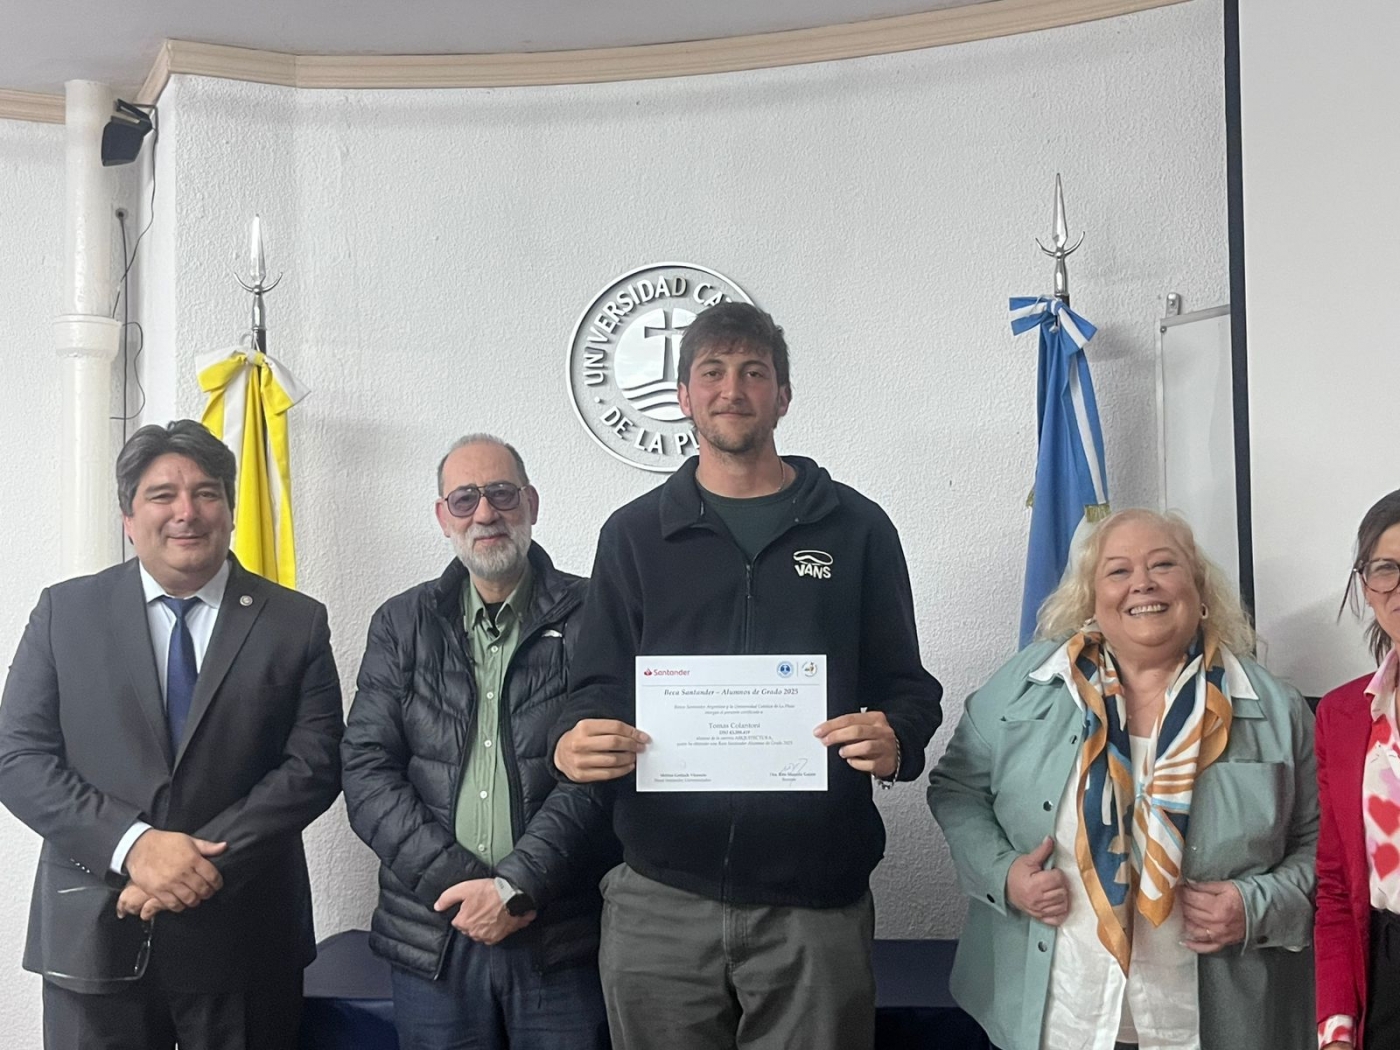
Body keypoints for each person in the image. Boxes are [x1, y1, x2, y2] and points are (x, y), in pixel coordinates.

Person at [551, 301, 943, 1050]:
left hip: (814, 905)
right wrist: (571, 741)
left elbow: (907, 689)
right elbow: (594, 686)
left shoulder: (857, 528)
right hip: (659, 897)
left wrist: (897, 741)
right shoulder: (633, 535)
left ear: (783, 397)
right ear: (684, 397)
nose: (732, 389)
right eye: (713, 372)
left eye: (753, 372)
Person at [0, 419, 344, 1050]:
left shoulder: (295, 622)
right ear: (129, 517)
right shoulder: (64, 613)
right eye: (162, 495)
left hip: (245, 942)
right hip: (95, 932)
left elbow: (315, 765)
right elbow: (18, 757)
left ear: (232, 510)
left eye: (207, 492)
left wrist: (192, 863)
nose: (186, 512)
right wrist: (133, 847)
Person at [928, 508, 1316, 1050]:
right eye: (1118, 571)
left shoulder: (1275, 708)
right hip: (1059, 1019)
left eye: (1164, 564)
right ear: (1090, 598)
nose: (1143, 583)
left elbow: (1325, 849)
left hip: (1209, 1025)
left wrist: (1257, 906)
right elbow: (957, 789)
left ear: (1200, 590)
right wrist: (1005, 875)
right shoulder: (1028, 685)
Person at [342, 435, 615, 1050]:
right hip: (436, 934)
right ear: (443, 517)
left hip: (559, 936)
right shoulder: (400, 623)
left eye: (501, 494)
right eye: (464, 499)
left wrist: (516, 887)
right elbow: (365, 770)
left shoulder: (596, 613)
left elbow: (604, 772)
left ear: (532, 504)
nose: (485, 513)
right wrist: (467, 888)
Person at [1316, 489, 1400, 1049]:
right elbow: (1336, 889)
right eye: (1387, 568)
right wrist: (1338, 1026)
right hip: (1386, 973)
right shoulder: (1343, 715)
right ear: (1366, 586)